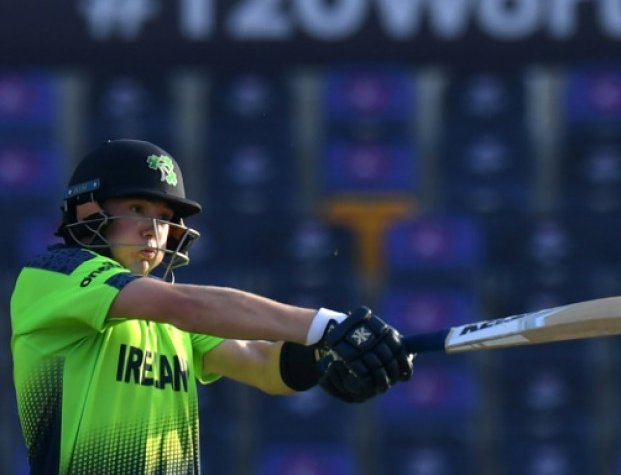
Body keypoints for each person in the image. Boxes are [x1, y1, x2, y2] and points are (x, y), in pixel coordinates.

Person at [9, 139, 413, 474]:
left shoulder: (162, 313)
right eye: (137, 209)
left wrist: (327, 357)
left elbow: (259, 361)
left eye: (164, 217)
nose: (154, 230)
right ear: (88, 211)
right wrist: (329, 325)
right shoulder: (52, 275)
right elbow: (187, 305)